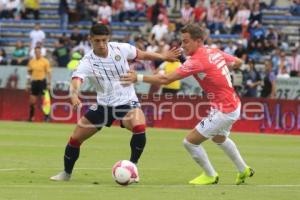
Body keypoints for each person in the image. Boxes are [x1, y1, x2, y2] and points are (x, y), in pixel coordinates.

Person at [121, 24, 254, 185]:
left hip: (224, 110)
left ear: (198, 41)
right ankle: (243, 169)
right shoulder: (213, 51)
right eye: (182, 41)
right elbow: (238, 62)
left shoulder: (198, 61)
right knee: (219, 138)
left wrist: (139, 78)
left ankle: (210, 175)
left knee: (190, 142)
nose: (183, 46)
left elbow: (165, 79)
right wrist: (224, 68)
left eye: (186, 41)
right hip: (233, 103)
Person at [50, 23, 180, 181]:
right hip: (103, 105)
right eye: (97, 41)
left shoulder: (120, 48)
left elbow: (141, 54)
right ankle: (66, 174)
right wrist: (74, 95)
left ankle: (132, 167)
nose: (101, 44)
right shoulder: (87, 61)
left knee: (139, 126)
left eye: (104, 40)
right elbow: (77, 80)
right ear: (90, 39)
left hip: (127, 102)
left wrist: (163, 56)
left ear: (108, 38)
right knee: (76, 138)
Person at [27, 46, 52, 122]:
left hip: (42, 82)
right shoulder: (32, 61)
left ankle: (47, 117)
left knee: (45, 100)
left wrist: (49, 83)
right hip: (34, 82)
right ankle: (31, 117)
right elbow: (29, 72)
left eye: (38, 52)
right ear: (34, 52)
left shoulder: (45, 61)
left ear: (40, 52)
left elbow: (48, 73)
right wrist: (27, 83)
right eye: (36, 52)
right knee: (32, 101)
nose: (37, 53)